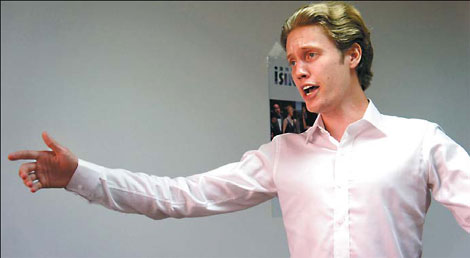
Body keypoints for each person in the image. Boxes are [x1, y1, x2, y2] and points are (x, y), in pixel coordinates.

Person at [8, 2, 469, 258]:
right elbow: (179, 196)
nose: (298, 71)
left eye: (310, 55)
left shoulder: (421, 142)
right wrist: (77, 175)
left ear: (352, 56)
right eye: (291, 61)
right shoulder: (282, 154)